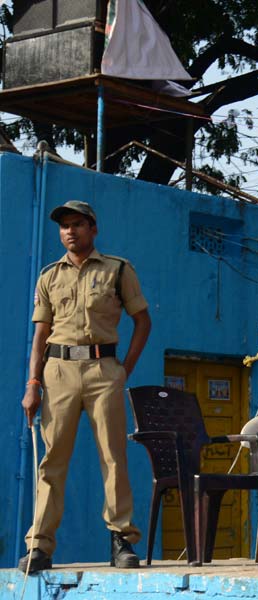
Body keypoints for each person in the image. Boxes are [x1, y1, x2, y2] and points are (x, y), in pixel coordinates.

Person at [19, 201, 152, 573]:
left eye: (77, 224)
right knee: (52, 460)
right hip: (57, 371)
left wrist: (124, 368)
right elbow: (40, 334)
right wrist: (32, 383)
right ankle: (40, 546)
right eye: (64, 226)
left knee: (113, 456)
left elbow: (143, 320)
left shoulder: (118, 270)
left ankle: (122, 539)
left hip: (102, 369)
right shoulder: (49, 276)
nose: (69, 232)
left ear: (93, 228)